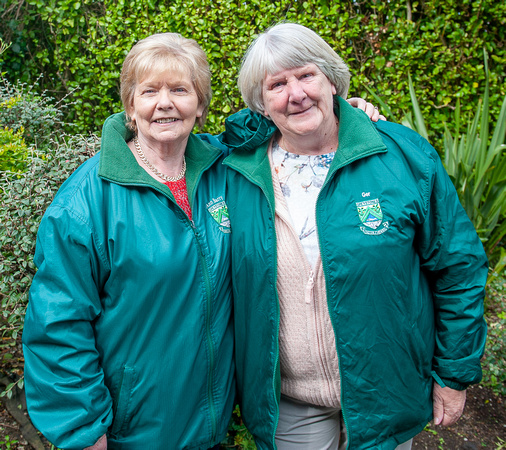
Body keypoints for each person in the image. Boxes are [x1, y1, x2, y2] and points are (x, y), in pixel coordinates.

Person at [22, 32, 381, 449]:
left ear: (200, 106)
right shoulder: (87, 201)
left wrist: (344, 112)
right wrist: (83, 432)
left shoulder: (222, 168)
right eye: (149, 91)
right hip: (132, 429)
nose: (165, 103)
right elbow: (57, 326)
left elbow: (280, 120)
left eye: (180, 89)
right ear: (130, 108)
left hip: (209, 423)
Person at [220, 23, 488, 449]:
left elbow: (458, 269)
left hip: (386, 393)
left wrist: (454, 375)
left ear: (331, 80)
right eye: (277, 85)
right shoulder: (234, 171)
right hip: (290, 403)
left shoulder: (401, 155)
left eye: (306, 75)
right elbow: (167, 129)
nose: (296, 94)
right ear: (261, 104)